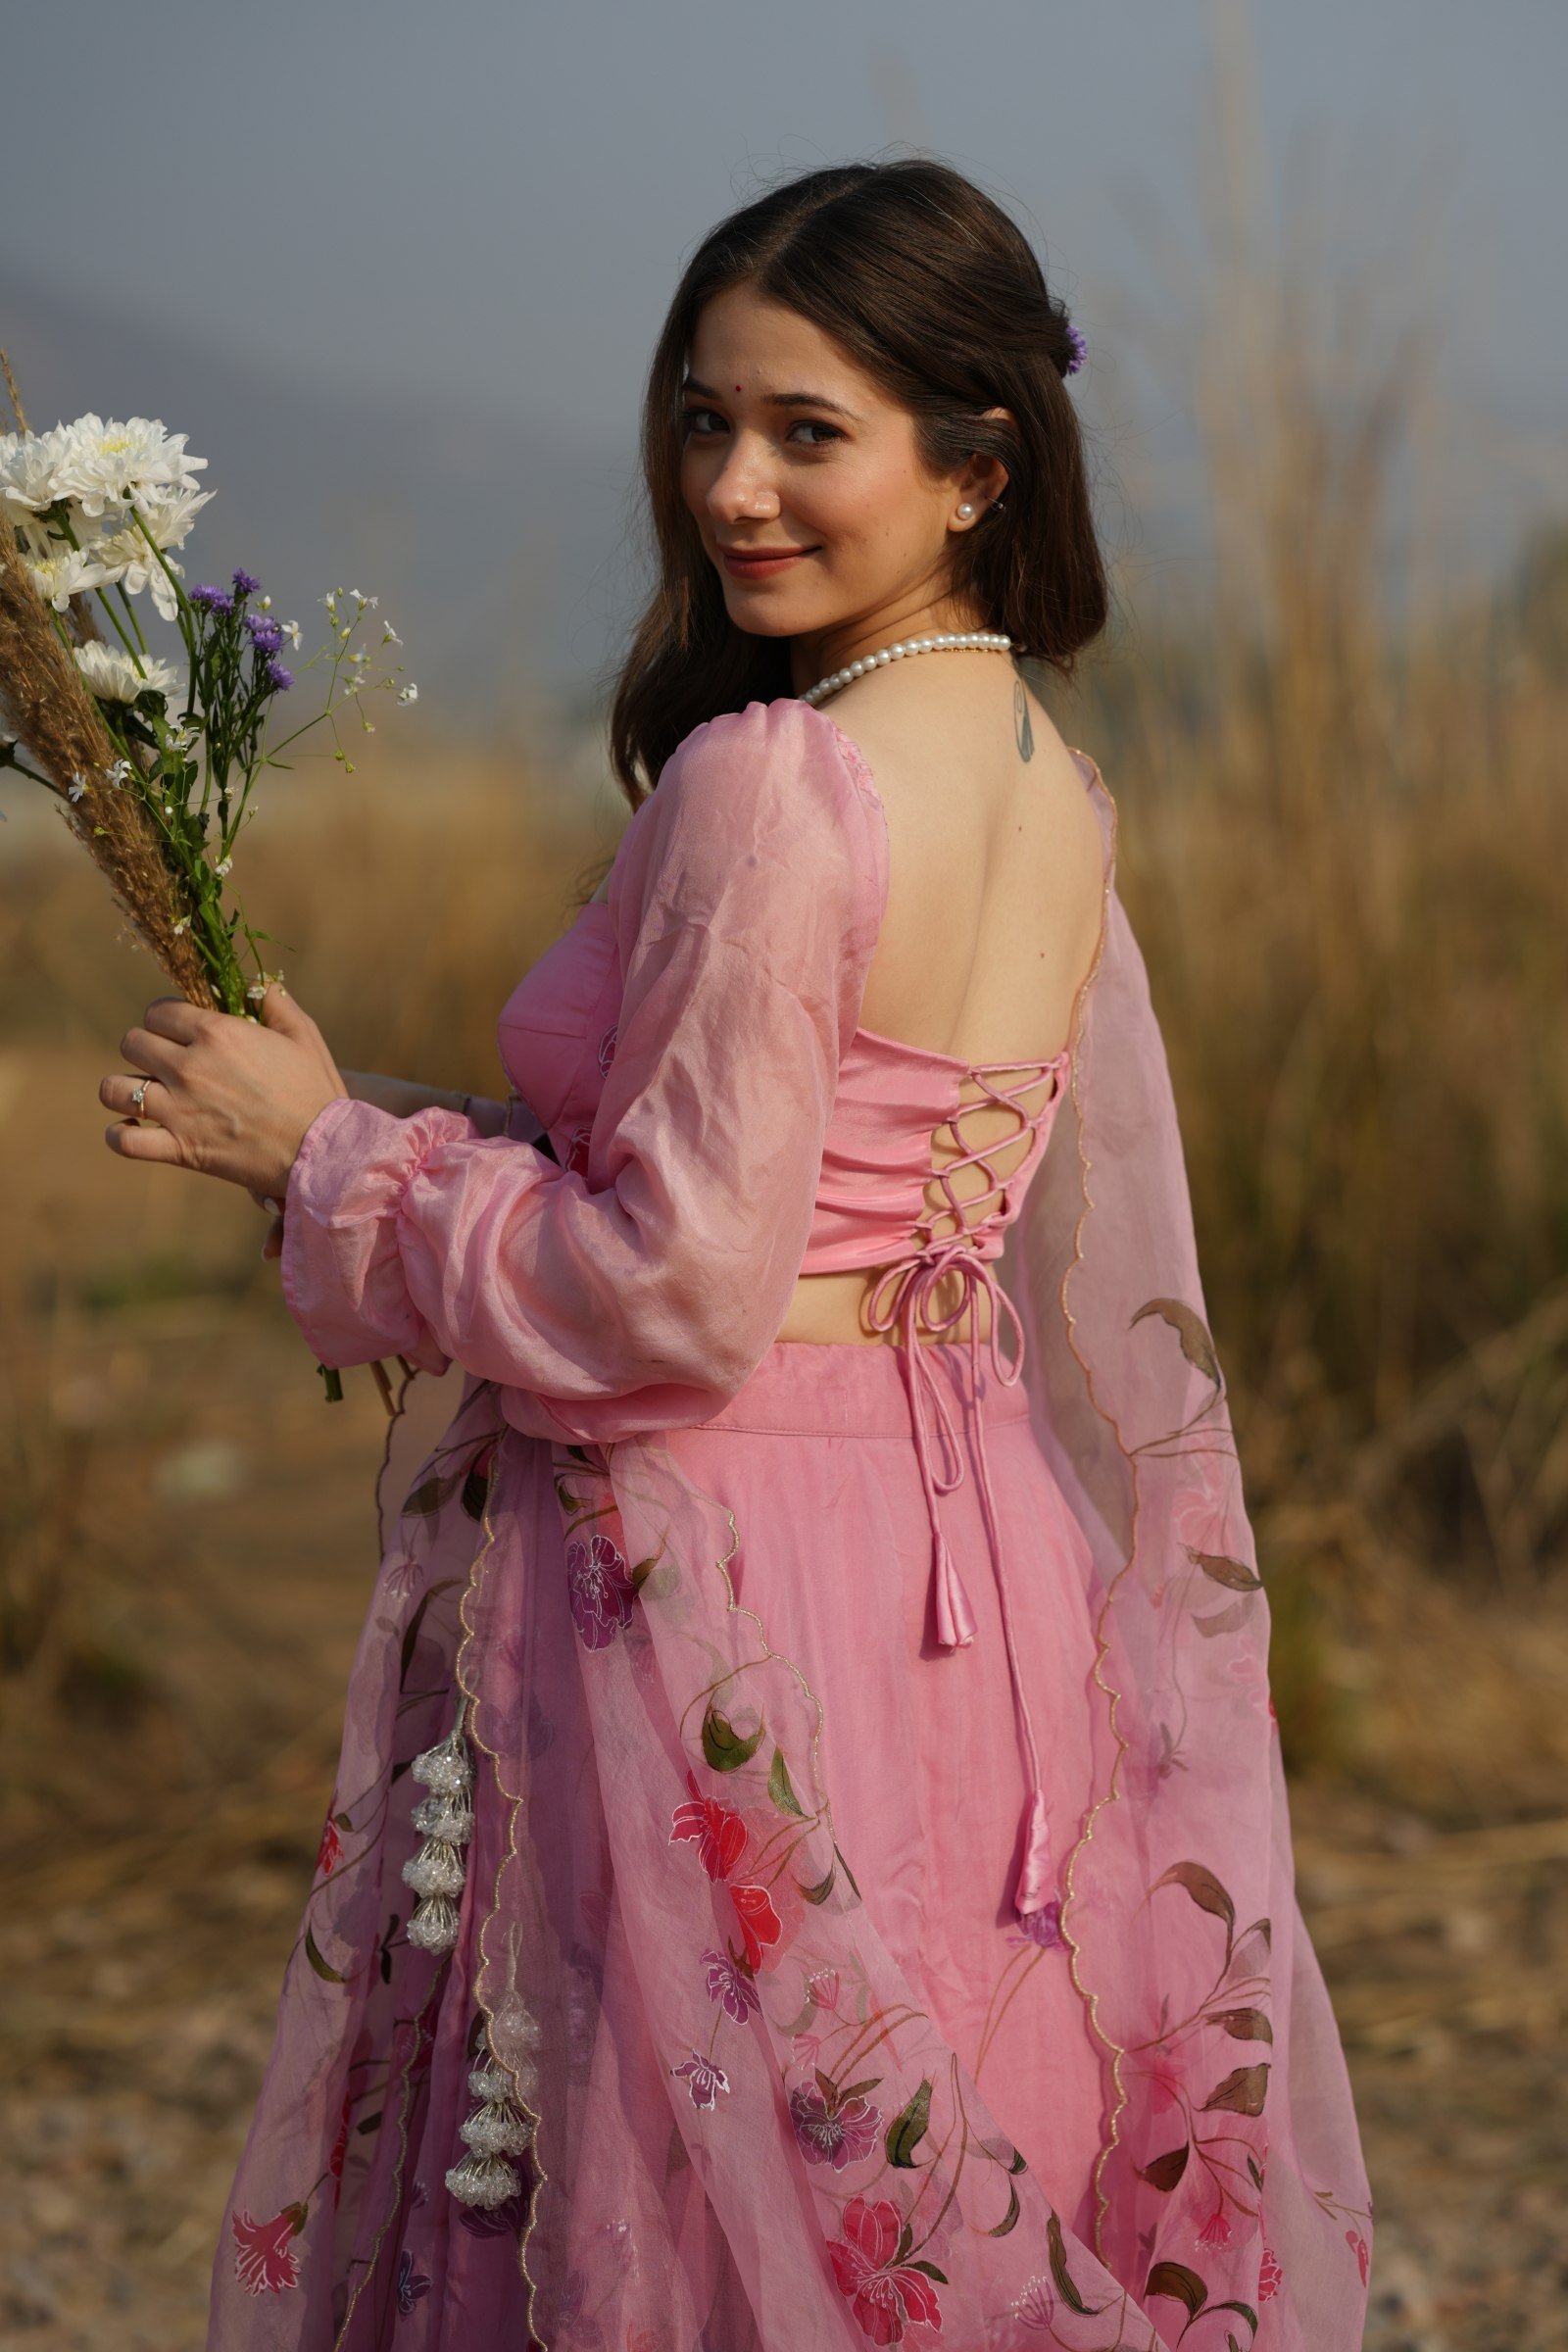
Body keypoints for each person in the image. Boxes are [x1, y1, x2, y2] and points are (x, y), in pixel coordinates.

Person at [100, 162, 1370, 2351]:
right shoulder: (1047, 779)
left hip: (722, 1560)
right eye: (704, 420)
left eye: (809, 432)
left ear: (976, 465)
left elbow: (669, 1294)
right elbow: (800, 1195)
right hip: (971, 1563)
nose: (732, 489)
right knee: (926, 2116)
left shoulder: (775, 781)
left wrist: (331, 1169)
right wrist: (365, 1129)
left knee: (663, 2195)